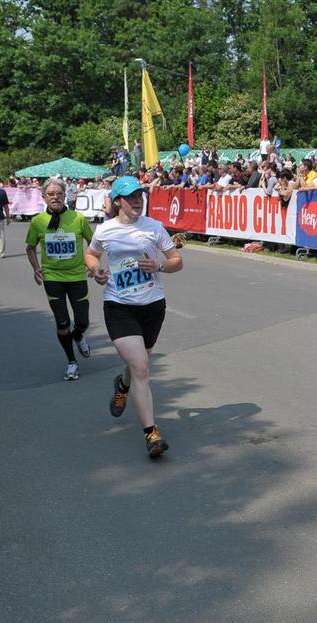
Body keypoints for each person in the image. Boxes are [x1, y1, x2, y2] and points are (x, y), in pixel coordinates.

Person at [85, 176, 183, 459]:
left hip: (152, 305)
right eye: (131, 197)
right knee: (141, 367)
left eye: (140, 195)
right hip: (119, 305)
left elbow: (176, 261)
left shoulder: (153, 227)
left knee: (138, 365)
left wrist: (159, 266)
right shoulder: (105, 230)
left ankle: (123, 385)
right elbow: (91, 254)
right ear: (118, 201)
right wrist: (96, 270)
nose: (138, 201)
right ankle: (152, 435)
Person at [26, 178, 95, 381]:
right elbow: (30, 248)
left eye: (59, 194)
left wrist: (92, 263)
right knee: (62, 323)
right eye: (50, 194)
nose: (55, 197)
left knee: (82, 321)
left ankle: (78, 335)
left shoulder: (78, 218)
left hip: (77, 276)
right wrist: (36, 268)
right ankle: (72, 362)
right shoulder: (37, 221)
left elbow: (93, 243)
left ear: (65, 196)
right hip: (52, 277)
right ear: (44, 197)